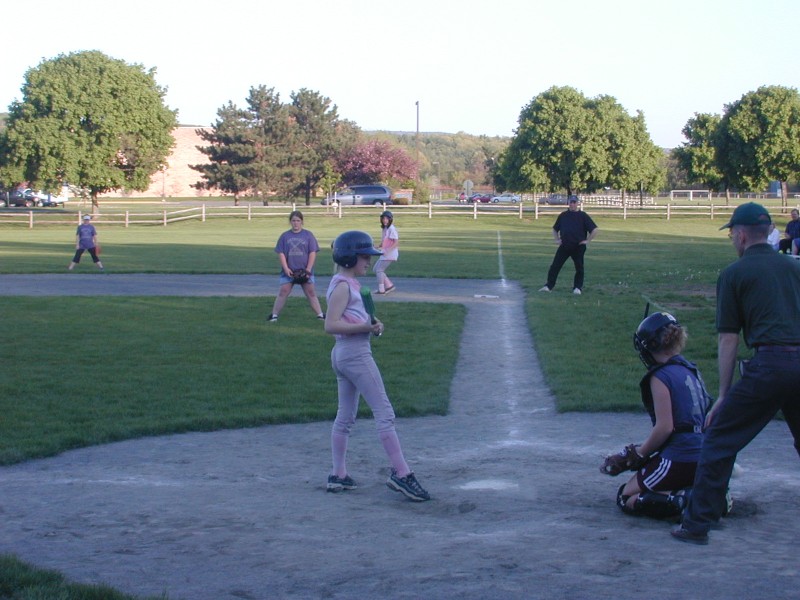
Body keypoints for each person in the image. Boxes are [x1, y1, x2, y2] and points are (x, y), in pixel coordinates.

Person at [672, 202, 800, 545]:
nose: (732, 239)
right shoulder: (794, 267)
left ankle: (697, 523)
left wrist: (724, 395)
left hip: (770, 364)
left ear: (742, 236)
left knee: (718, 439)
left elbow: (728, 338)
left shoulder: (734, 274)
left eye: (732, 233)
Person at [324, 230, 430, 502]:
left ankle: (339, 475)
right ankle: (402, 474)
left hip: (346, 354)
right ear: (349, 258)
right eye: (363, 257)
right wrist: (364, 327)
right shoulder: (343, 286)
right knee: (385, 413)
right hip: (354, 354)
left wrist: (374, 324)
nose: (368, 261)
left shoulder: (347, 283)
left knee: (345, 417)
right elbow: (331, 324)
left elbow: (352, 315)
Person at [605, 312, 711, 520]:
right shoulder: (692, 371)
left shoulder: (660, 376)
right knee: (668, 475)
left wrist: (640, 454)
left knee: (626, 497)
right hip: (705, 456)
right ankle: (708, 495)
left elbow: (665, 428)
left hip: (680, 456)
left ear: (650, 345)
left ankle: (684, 501)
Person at [268, 211, 325, 322]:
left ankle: (320, 315)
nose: (296, 223)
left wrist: (308, 269)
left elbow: (312, 252)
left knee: (311, 293)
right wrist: (286, 268)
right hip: (289, 271)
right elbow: (281, 253)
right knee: (283, 292)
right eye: (293, 221)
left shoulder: (308, 235)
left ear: (302, 222)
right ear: (290, 222)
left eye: (298, 221)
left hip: (305, 270)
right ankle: (274, 315)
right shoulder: (285, 236)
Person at [538, 195, 599, 295]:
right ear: (568, 203)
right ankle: (548, 286)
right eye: (571, 202)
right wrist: (557, 239)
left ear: (577, 203)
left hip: (578, 246)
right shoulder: (563, 215)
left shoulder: (583, 216)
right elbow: (554, 229)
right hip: (565, 246)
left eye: (574, 202)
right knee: (555, 266)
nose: (572, 204)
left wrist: (587, 241)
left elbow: (595, 230)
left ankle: (577, 288)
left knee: (579, 268)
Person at [374, 210, 398, 294]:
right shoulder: (385, 229)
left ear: (390, 219)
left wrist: (388, 251)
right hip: (385, 252)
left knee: (379, 270)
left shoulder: (392, 229)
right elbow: (385, 241)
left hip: (389, 254)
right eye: (383, 218)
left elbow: (396, 242)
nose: (385, 220)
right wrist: (377, 246)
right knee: (376, 269)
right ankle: (389, 286)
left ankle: (381, 290)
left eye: (387, 219)